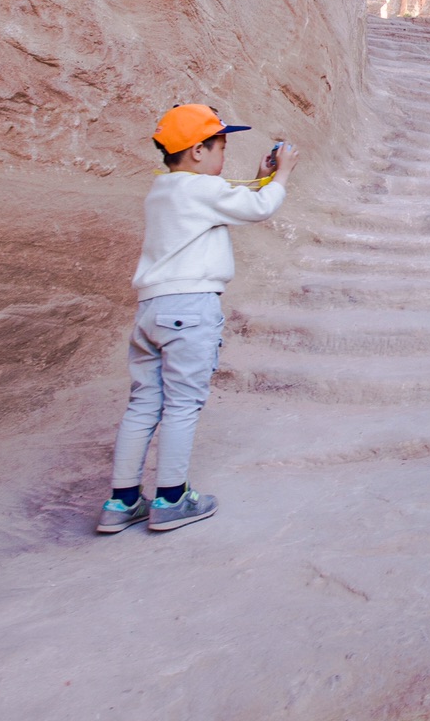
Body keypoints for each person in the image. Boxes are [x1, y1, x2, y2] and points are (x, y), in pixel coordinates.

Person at [96, 104, 300, 534]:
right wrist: (281, 175)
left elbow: (233, 198)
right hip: (190, 310)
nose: (223, 156)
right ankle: (172, 499)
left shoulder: (164, 190)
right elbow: (258, 208)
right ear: (196, 151)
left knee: (143, 403)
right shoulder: (201, 190)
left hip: (152, 310)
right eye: (220, 147)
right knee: (183, 404)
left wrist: (260, 176)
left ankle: (122, 501)